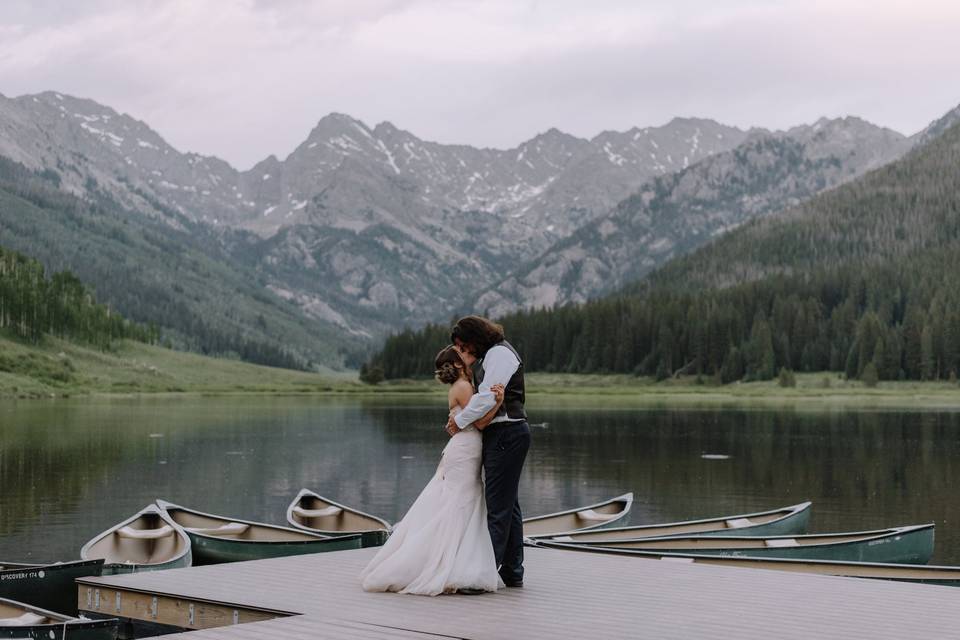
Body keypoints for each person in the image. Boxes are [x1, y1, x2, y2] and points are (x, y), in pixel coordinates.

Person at [360, 345, 506, 595]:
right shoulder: (463, 387)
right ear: (459, 364)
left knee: (460, 502)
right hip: (465, 450)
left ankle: (456, 562)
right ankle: (445, 565)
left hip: (464, 449)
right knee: (459, 503)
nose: (469, 356)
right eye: (463, 355)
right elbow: (481, 423)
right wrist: (498, 402)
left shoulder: (463, 385)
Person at [445, 315, 530, 588]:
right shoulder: (493, 355)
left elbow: (488, 397)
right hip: (506, 434)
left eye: (463, 344)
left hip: (507, 433)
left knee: (497, 507)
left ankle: (482, 575)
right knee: (509, 505)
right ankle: (512, 571)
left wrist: (459, 421)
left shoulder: (499, 354)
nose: (462, 351)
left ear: (475, 338)